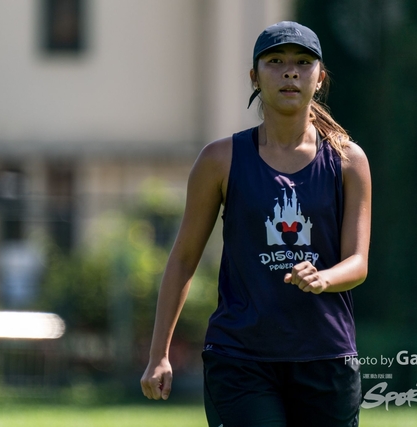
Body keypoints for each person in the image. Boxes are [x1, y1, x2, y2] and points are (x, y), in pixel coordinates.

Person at [140, 21, 371, 427]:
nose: (290, 72)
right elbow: (183, 259)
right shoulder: (219, 160)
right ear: (254, 76)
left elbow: (358, 263)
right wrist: (159, 354)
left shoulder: (348, 161)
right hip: (239, 359)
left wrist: (324, 278)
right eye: (275, 61)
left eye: (303, 63)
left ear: (320, 78)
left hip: (326, 356)